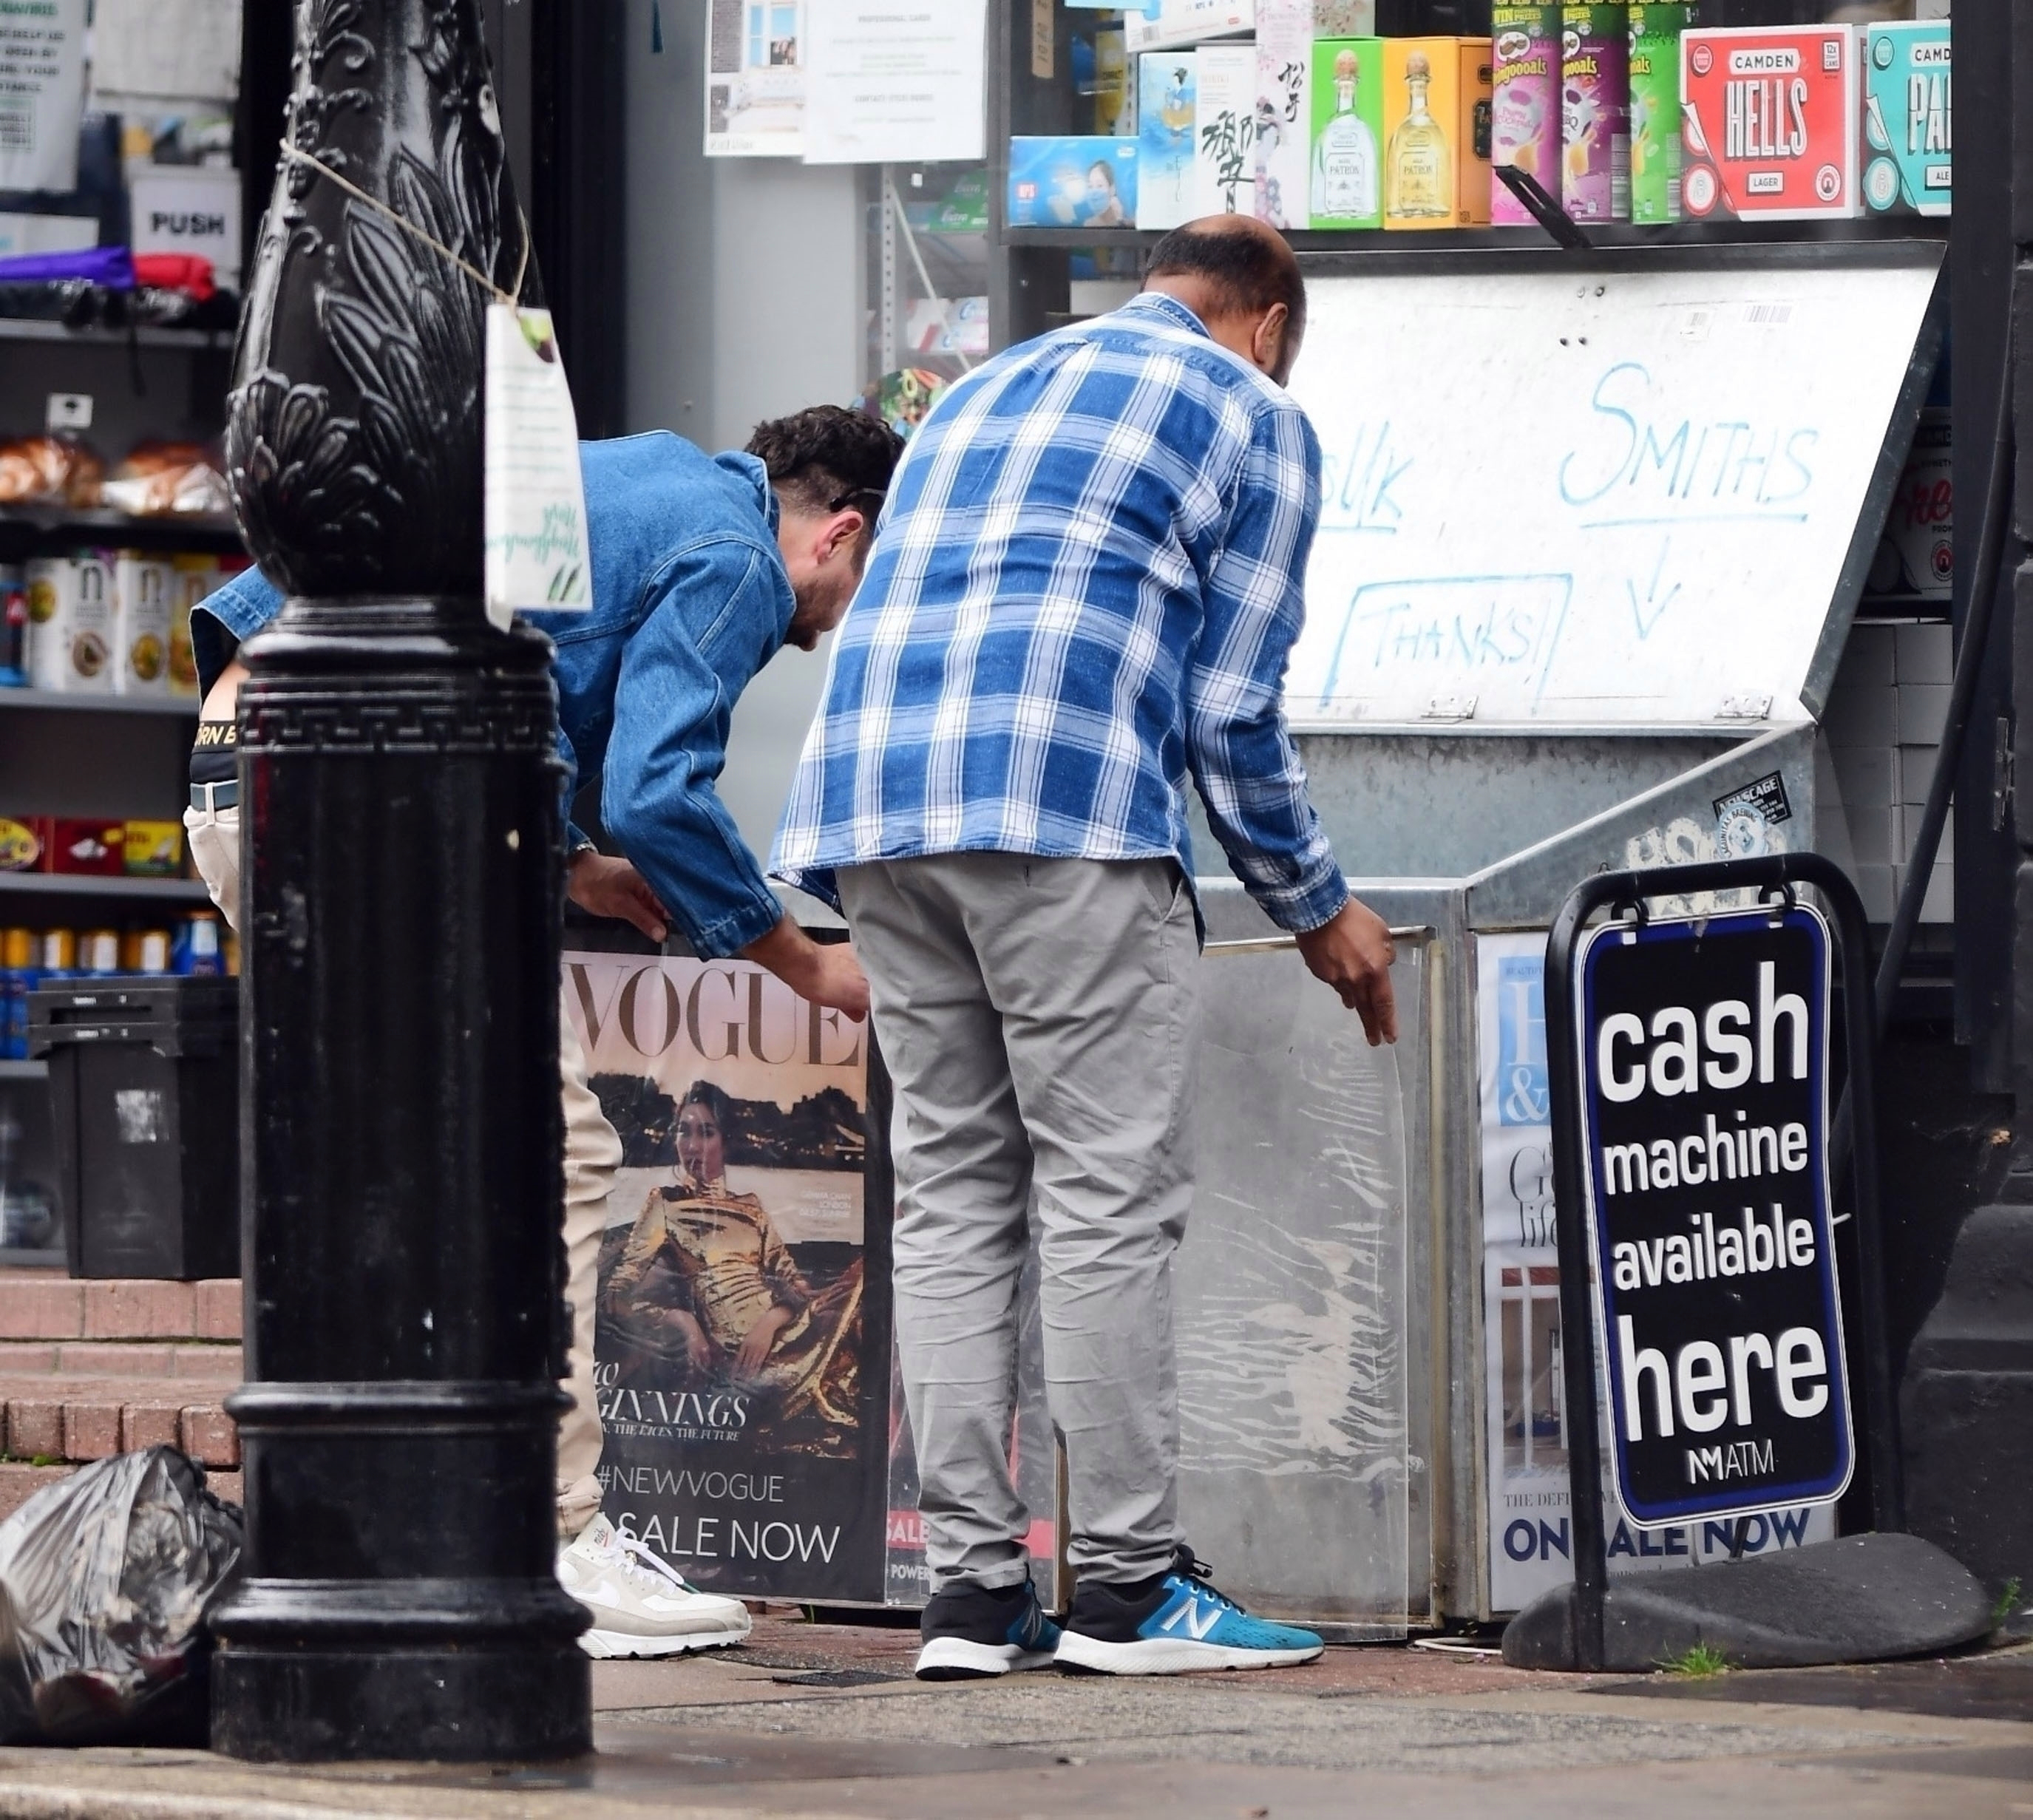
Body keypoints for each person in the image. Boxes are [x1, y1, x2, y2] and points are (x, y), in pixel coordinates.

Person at [773, 217, 1399, 1680]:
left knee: (950, 1193)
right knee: (1107, 1192)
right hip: (1057, 806)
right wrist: (1316, 903)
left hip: (873, 806)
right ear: (1269, 318)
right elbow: (1230, 708)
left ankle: (971, 1596)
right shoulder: (1255, 412)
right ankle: (1123, 1585)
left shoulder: (986, 385)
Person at [186, 404, 900, 1658]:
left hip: (251, 758)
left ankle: (398, 1524)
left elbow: (518, 649)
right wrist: (798, 959)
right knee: (549, 1150)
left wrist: (573, 870)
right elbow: (657, 787)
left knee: (402, 1162)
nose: (833, 621)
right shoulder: (736, 552)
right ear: (838, 532)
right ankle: (559, 1537)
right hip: (369, 764)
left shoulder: (643, 478)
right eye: (858, 587)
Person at [603, 1081, 863, 1440]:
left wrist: (770, 1321)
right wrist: (683, 1321)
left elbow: (794, 1282)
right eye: (684, 1132)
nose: (692, 1146)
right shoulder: (666, 1204)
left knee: (867, 1280)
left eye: (706, 1133)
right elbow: (619, 1293)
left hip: (778, 1330)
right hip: (737, 1350)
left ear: (725, 1142)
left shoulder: (750, 1206)